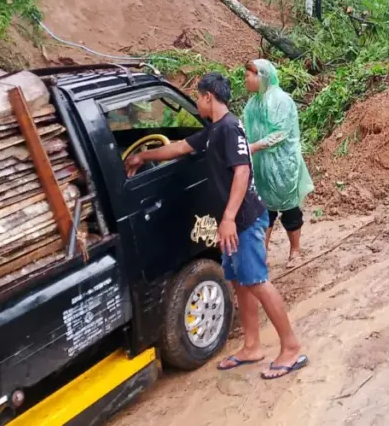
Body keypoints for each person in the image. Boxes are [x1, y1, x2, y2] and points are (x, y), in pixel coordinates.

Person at [126, 73, 306, 378]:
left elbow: (241, 172)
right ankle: (252, 346)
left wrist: (227, 219)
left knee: (258, 281)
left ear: (209, 96)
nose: (197, 103)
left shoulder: (229, 128)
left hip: (244, 220)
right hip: (233, 221)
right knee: (240, 281)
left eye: (198, 97)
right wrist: (142, 156)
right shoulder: (213, 131)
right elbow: (180, 147)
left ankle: (291, 348)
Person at [243, 59, 314, 263]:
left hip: (282, 164)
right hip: (261, 165)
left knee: (289, 209)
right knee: (263, 211)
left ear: (261, 76)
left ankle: (295, 251)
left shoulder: (280, 100)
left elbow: (280, 133)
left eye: (248, 75)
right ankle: (261, 256)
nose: (245, 80)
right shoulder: (253, 103)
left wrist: (253, 147)